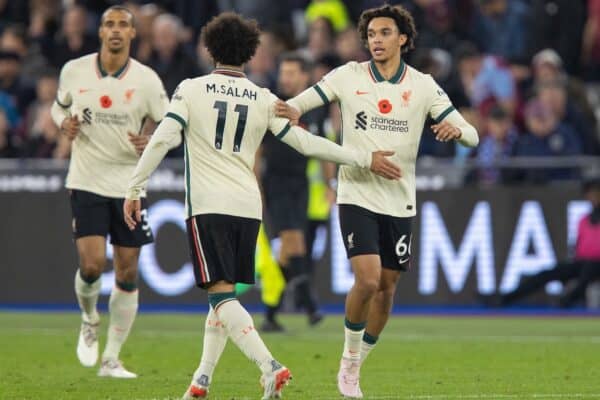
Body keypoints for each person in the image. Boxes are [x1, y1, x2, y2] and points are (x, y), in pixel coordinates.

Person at [122, 12, 401, 400]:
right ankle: (200, 382)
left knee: (221, 296)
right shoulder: (263, 97)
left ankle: (270, 366)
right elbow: (306, 143)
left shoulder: (191, 89)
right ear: (250, 53)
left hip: (209, 204)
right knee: (223, 298)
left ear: (210, 48)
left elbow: (162, 140)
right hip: (247, 206)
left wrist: (135, 187)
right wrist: (362, 158)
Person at [275, 5, 479, 398]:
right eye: (371, 34)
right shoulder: (347, 76)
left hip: (400, 201)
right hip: (356, 193)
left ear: (403, 38)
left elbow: (472, 134)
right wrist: (286, 111)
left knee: (387, 287)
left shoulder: (423, 86)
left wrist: (457, 130)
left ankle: (359, 359)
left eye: (384, 33)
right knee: (367, 280)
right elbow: (299, 104)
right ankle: (349, 363)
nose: (376, 41)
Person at [50, 5, 169, 378]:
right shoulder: (74, 70)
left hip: (129, 184)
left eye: (123, 25)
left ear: (133, 34)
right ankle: (89, 318)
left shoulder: (148, 80)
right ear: (100, 32)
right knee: (90, 265)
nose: (116, 31)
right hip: (86, 178)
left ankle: (111, 359)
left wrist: (150, 140)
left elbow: (170, 124)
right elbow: (58, 108)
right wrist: (63, 124)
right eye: (109, 24)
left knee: (128, 271)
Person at [260, 52, 327, 332]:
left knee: (289, 252)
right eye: (283, 72)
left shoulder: (315, 109)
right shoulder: (271, 105)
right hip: (276, 183)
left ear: (305, 76)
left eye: (290, 73)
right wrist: (255, 186)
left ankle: (271, 314)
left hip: (300, 185)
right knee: (294, 242)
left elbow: (323, 148)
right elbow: (257, 149)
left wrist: (330, 185)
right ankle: (309, 305)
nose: (284, 78)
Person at [481, 178, 600, 308]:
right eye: (590, 193)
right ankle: (505, 298)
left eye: (596, 193)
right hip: (582, 263)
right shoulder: (584, 220)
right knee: (547, 274)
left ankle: (569, 299)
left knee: (590, 268)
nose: (593, 196)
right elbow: (578, 247)